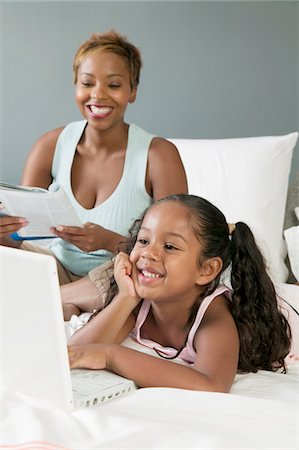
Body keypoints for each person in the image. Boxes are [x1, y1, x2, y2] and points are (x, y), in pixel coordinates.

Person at [0, 31, 187, 319]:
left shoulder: (158, 155)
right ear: (76, 86)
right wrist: (5, 235)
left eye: (113, 84)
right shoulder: (50, 145)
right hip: (56, 269)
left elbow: (176, 249)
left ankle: (54, 302)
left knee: (122, 269)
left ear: (132, 91)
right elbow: (24, 238)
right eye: (87, 83)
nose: (98, 95)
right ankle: (67, 308)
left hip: (117, 279)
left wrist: (109, 242)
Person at [68, 194, 291, 392]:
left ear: (206, 270)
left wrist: (110, 355)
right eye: (143, 241)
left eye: (170, 247)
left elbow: (211, 384)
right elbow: (76, 352)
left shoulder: (214, 317)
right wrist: (126, 297)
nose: (148, 253)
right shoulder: (139, 302)